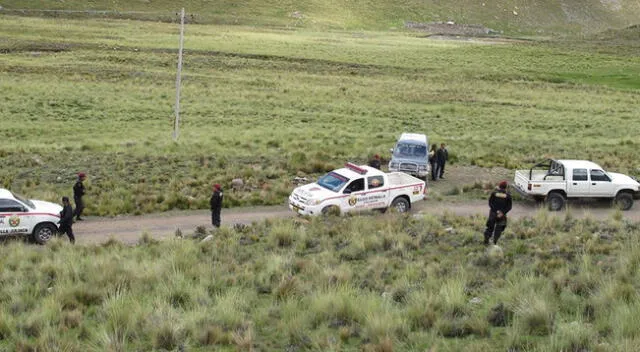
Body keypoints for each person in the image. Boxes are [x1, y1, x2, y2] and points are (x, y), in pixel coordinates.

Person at [484, 181, 512, 245]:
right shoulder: (508, 196)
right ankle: (494, 242)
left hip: (493, 213)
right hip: (501, 215)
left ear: (499, 186)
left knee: (489, 227)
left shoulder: (494, 194)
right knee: (499, 228)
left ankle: (486, 241)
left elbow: (490, 203)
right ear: (506, 187)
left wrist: (495, 211)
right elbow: (509, 207)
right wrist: (502, 212)